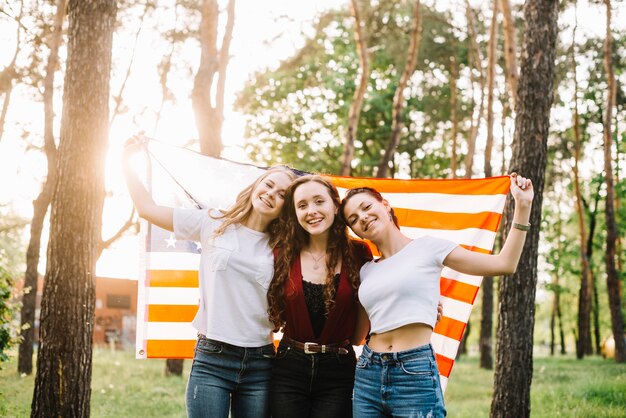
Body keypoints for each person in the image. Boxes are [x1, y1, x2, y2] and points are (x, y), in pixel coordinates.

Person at [122, 141, 296, 418]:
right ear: (256, 185)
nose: (271, 194)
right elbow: (147, 209)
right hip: (212, 356)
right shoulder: (213, 222)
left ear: (287, 207)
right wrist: (126, 163)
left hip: (260, 361)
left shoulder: (286, 246)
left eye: (283, 194)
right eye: (269, 185)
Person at [340, 173, 533, 418]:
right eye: (353, 219)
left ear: (385, 205)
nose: (363, 218)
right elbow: (358, 336)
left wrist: (523, 207)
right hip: (368, 371)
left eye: (367, 207)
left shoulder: (428, 247)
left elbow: (505, 264)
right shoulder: (366, 270)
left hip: (414, 371)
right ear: (356, 231)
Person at [266, 175, 373, 418]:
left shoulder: (359, 253)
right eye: (302, 205)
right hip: (288, 367)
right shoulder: (281, 253)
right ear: (295, 213)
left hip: (338, 371)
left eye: (318, 201)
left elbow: (388, 276)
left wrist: (427, 301)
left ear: (335, 205)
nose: (311, 211)